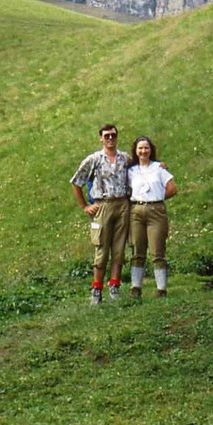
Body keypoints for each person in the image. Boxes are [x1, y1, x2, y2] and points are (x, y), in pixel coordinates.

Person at [70, 124, 131, 304]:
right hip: (103, 205)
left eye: (113, 135)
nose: (110, 139)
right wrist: (85, 206)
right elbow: (76, 182)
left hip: (122, 203)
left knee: (119, 248)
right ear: (101, 138)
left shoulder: (125, 158)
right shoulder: (94, 159)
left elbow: (143, 165)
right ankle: (97, 289)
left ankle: (114, 285)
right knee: (102, 248)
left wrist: (160, 165)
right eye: (107, 136)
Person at [127, 136, 178, 298]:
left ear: (151, 150)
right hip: (136, 211)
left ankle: (161, 289)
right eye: (140, 148)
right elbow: (127, 191)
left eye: (146, 148)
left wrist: (157, 197)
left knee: (157, 251)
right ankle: (136, 288)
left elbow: (172, 189)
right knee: (137, 250)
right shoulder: (131, 171)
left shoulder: (159, 168)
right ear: (136, 151)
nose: (143, 151)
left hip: (156, 211)